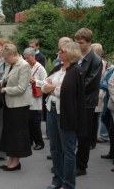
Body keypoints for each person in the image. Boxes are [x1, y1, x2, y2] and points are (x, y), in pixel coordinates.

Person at [43, 41, 86, 189]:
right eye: (59, 50)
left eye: (62, 51)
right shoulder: (57, 68)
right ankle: (57, 180)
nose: (59, 53)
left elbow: (66, 92)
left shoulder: (76, 71)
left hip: (66, 114)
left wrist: (51, 87)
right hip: (52, 110)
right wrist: (52, 88)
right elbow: (43, 85)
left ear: (70, 53)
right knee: (55, 148)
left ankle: (68, 184)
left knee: (68, 151)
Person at [0, 43, 32, 171]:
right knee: (9, 133)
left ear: (14, 54)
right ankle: (11, 159)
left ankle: (16, 161)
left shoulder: (24, 65)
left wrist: (4, 90)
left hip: (19, 105)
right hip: (9, 104)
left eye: (6, 57)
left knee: (17, 134)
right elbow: (5, 79)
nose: (5, 60)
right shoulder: (10, 64)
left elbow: (21, 88)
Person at [74, 28, 102, 177]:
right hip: (76, 100)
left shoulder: (96, 60)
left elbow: (89, 83)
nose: (78, 45)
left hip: (87, 102)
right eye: (77, 42)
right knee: (74, 133)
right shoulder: (78, 56)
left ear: (89, 42)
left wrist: (70, 88)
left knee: (84, 136)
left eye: (82, 42)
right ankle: (73, 163)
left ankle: (81, 166)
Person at [23, 47, 47, 150]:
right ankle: (30, 141)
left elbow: (46, 82)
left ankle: (39, 142)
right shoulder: (25, 66)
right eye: (25, 58)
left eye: (28, 58)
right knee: (27, 121)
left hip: (35, 99)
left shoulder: (40, 67)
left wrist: (35, 81)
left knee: (34, 122)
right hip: (26, 97)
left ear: (33, 56)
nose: (26, 60)